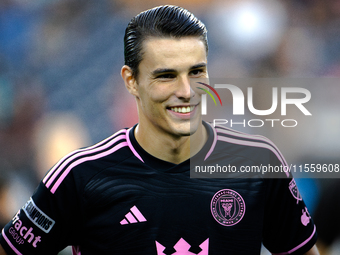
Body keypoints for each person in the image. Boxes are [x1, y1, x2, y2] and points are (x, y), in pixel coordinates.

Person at [0, 5, 319, 255]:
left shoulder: (258, 163)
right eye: (166, 75)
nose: (186, 90)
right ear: (131, 81)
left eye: (196, 71)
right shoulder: (79, 176)